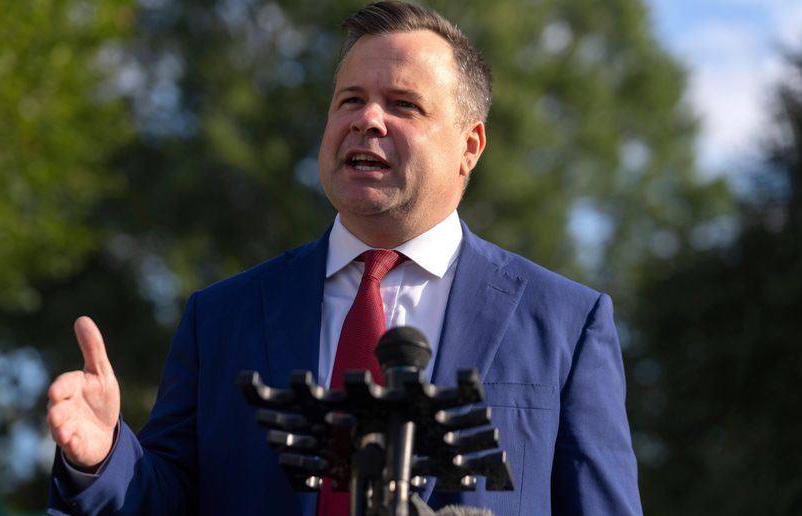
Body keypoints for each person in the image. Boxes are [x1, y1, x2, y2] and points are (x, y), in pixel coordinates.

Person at [46, 2, 643, 515]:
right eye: (350, 99)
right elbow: (164, 498)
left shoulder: (566, 321)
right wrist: (103, 460)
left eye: (403, 104)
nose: (368, 119)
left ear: (470, 145)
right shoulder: (221, 317)